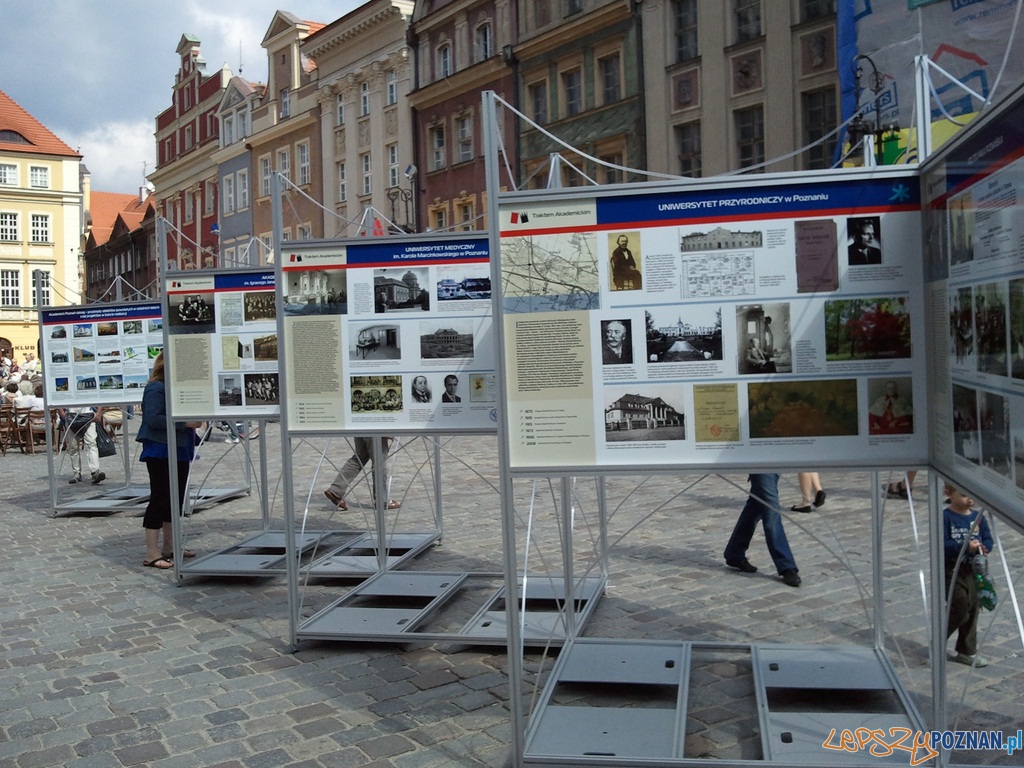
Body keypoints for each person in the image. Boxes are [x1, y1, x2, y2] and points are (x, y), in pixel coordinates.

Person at [137, 352, 202, 569]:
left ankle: (169, 547)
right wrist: (185, 423)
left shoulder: (175, 387)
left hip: (179, 448)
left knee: (175, 499)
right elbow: (152, 419)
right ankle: (151, 552)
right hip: (160, 449)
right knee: (160, 498)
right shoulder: (156, 387)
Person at [943, 483, 993, 667]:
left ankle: (966, 650)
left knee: (973, 608)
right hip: (952, 570)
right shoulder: (945, 517)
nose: (970, 500)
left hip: (974, 571)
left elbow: (988, 538)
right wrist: (964, 546)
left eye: (972, 495)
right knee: (960, 606)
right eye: (964, 495)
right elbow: (943, 544)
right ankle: (940, 639)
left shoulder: (978, 518)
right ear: (949, 493)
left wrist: (985, 547)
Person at [724, 473, 801, 587]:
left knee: (756, 504)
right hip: (760, 459)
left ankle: (735, 553)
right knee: (771, 508)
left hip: (773, 459)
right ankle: (786, 565)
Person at [324, 436, 400, 511]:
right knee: (379, 461)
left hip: (359, 425)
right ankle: (382, 501)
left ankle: (336, 490)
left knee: (360, 457)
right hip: (374, 426)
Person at [62, 403, 106, 484]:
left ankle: (95, 471)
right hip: (71, 416)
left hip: (88, 415)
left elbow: (98, 396)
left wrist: (99, 413)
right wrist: (62, 414)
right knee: (73, 447)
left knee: (91, 443)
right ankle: (76, 473)